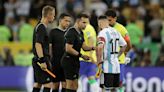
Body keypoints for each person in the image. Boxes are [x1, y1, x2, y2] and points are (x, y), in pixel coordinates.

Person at [61, 13, 95, 92]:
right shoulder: (71, 32)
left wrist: (93, 48)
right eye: (84, 22)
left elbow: (84, 47)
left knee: (75, 86)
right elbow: (68, 48)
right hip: (68, 60)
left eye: (86, 23)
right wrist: (82, 56)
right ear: (78, 21)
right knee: (70, 84)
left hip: (75, 61)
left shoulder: (81, 33)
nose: (85, 25)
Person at [96, 15, 127, 92]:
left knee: (105, 88)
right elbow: (124, 45)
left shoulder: (102, 33)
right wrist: (117, 56)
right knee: (114, 89)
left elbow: (100, 47)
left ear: (99, 23)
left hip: (107, 66)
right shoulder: (115, 31)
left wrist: (99, 61)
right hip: (116, 66)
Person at [105, 9, 132, 92]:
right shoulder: (104, 28)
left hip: (119, 60)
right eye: (106, 20)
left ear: (115, 18)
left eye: (110, 20)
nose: (108, 22)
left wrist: (125, 53)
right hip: (108, 60)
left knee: (119, 82)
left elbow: (128, 43)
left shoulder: (121, 29)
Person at [32, 5, 55, 92]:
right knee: (48, 85)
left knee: (38, 84)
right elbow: (38, 44)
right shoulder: (41, 27)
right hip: (41, 60)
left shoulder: (39, 26)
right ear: (48, 15)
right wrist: (42, 60)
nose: (54, 17)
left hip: (38, 59)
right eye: (53, 14)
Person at [49, 13, 71, 92]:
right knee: (55, 85)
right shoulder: (53, 32)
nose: (68, 23)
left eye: (69, 21)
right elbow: (50, 47)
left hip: (66, 63)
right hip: (55, 63)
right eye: (66, 21)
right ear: (60, 20)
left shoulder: (70, 33)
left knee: (65, 85)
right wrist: (49, 60)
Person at [79, 17, 99, 92]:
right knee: (91, 78)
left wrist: (90, 54)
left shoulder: (87, 28)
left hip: (84, 58)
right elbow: (96, 40)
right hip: (91, 58)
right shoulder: (92, 28)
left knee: (77, 77)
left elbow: (91, 40)